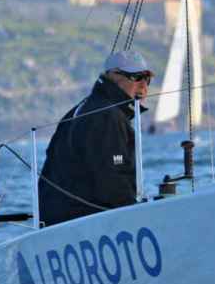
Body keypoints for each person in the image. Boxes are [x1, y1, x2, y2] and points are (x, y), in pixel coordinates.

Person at [38, 50, 153, 226]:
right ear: (114, 76)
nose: (144, 86)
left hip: (59, 219)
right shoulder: (106, 115)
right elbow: (113, 179)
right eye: (137, 77)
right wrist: (136, 218)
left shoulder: (87, 107)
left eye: (147, 79)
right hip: (80, 222)